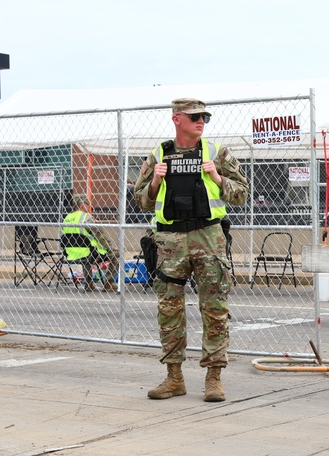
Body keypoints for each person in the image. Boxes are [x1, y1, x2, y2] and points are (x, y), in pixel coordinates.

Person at [134, 98, 249, 403]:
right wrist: (156, 181)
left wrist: (217, 177)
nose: (201, 121)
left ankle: (214, 380)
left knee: (214, 309)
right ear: (177, 119)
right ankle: (174, 379)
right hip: (170, 240)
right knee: (169, 310)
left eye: (204, 117)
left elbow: (242, 195)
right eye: (195, 116)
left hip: (208, 236)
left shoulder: (216, 152)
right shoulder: (159, 154)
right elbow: (141, 200)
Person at [62, 195, 119, 292]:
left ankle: (89, 284)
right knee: (116, 255)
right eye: (87, 205)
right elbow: (100, 235)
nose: (88, 207)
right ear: (82, 205)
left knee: (87, 253)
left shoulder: (67, 217)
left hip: (70, 253)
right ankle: (108, 283)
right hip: (89, 253)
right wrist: (110, 247)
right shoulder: (86, 217)